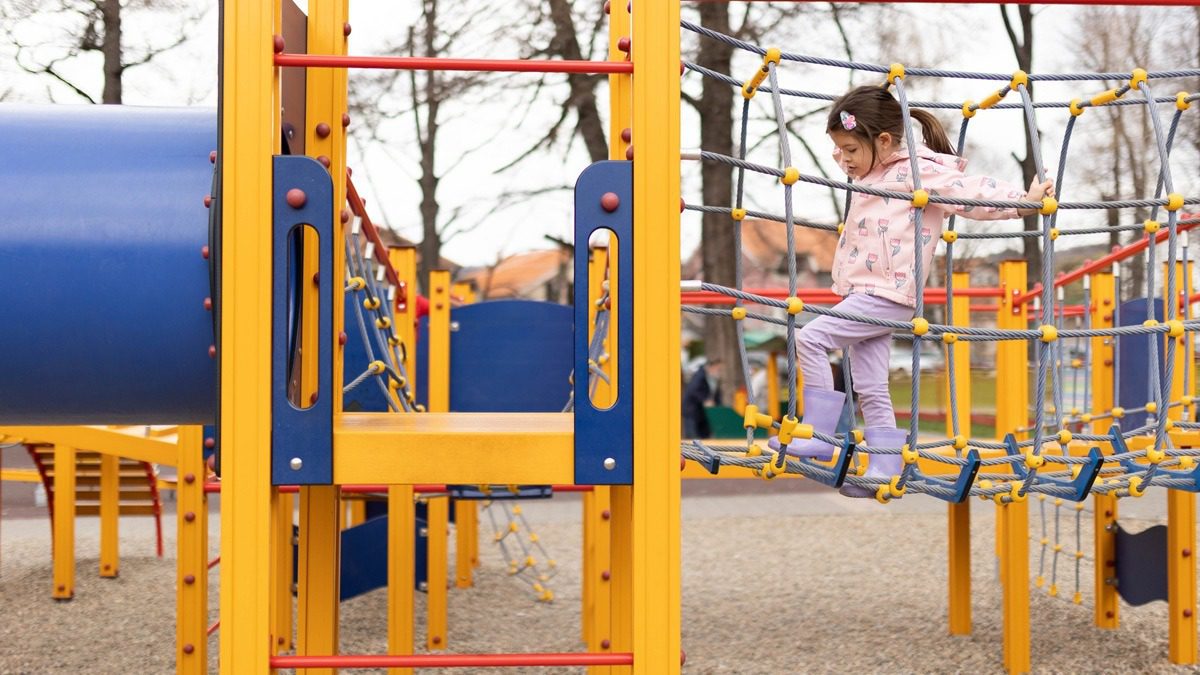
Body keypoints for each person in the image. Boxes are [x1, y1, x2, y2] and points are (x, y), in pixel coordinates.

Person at [769, 85, 1054, 498]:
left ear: (883, 141)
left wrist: (1021, 202)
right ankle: (884, 468)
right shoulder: (872, 177)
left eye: (850, 149)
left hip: (886, 294)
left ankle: (816, 435)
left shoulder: (917, 172)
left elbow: (968, 191)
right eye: (838, 151)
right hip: (868, 294)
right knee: (870, 384)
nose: (843, 160)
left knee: (809, 338)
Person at [683, 357, 722, 439]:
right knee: (692, 436)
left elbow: (715, 394)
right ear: (711, 366)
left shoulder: (713, 378)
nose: (719, 371)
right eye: (718, 369)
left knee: (704, 436)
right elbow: (693, 390)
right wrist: (705, 400)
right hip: (692, 411)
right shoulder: (700, 375)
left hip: (703, 413)